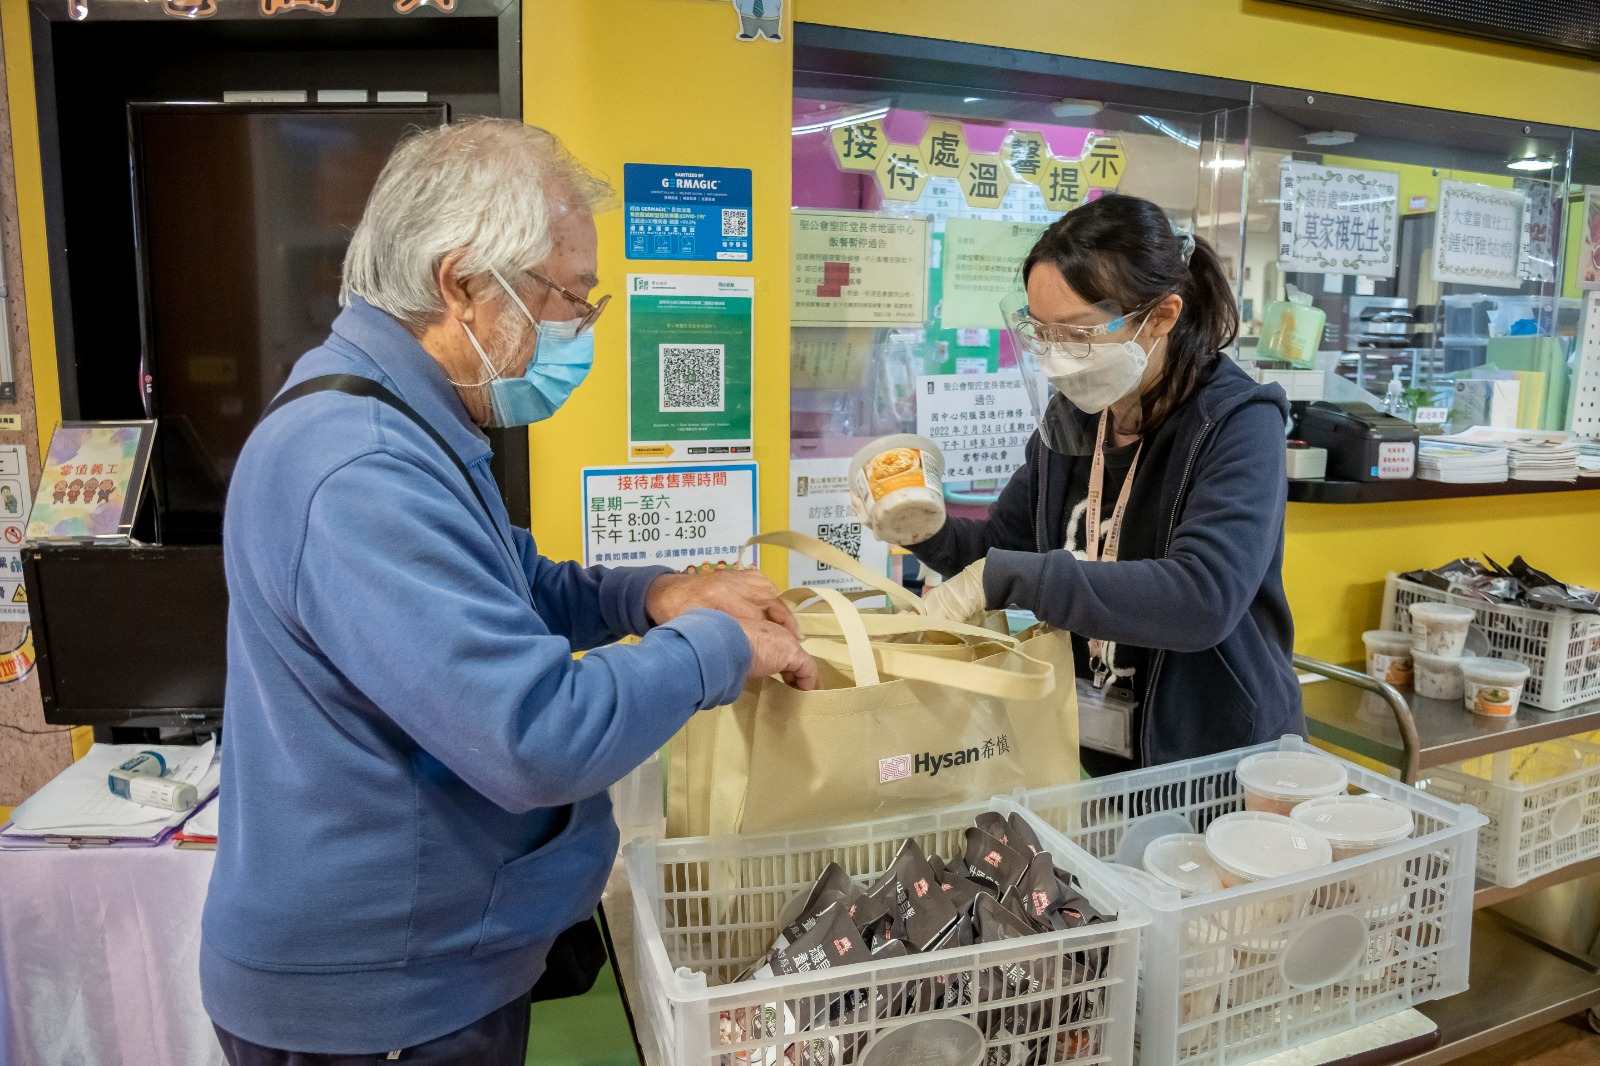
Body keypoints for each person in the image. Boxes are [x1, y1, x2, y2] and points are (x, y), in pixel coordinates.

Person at [202, 119, 816, 1064]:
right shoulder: (360, 466)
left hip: (430, 965)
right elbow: (534, 733)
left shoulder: (399, 410)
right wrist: (722, 649)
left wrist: (652, 596)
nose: (578, 328)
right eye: (568, 296)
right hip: (382, 1005)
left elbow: (510, 581)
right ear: (461, 284)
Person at [862, 193, 1300, 773]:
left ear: (1162, 317)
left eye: (1078, 334)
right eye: (1042, 334)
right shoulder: (1077, 418)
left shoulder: (1237, 422)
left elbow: (1204, 598)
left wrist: (1008, 576)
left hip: (1214, 757)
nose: (1056, 358)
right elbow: (1001, 551)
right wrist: (925, 529)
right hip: (1088, 745)